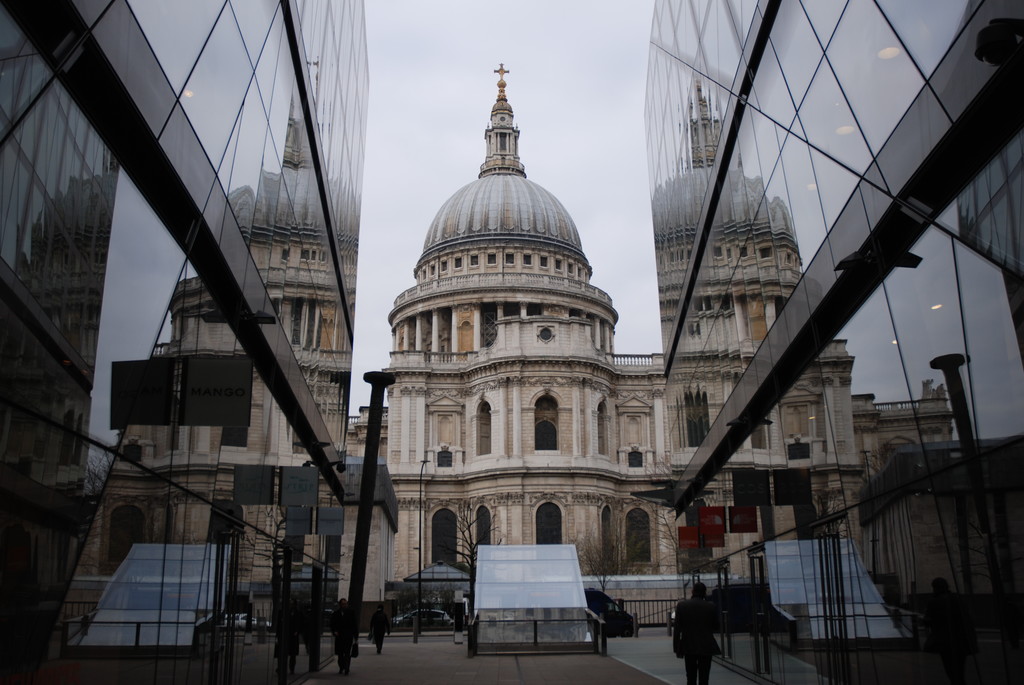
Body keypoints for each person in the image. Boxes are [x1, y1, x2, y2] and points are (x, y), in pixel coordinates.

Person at [923, 577, 977, 685]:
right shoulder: (957, 599)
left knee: (951, 670)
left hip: (945, 642)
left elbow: (929, 620)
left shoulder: (934, 602)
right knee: (960, 671)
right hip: (961, 640)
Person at [673, 582, 721, 685]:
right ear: (704, 593)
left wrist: (676, 648)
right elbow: (716, 626)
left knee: (690, 677)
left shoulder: (682, 606)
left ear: (692, 591)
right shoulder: (710, 606)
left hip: (689, 645)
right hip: (706, 645)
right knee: (704, 677)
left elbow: (677, 629)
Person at [330, 598, 358, 675]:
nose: (344, 605)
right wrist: (334, 631)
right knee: (340, 654)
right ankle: (341, 667)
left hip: (348, 636)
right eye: (343, 604)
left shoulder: (351, 612)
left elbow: (354, 624)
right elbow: (332, 624)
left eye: (345, 604)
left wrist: (356, 637)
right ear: (340, 605)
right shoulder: (336, 614)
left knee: (347, 653)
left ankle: (346, 668)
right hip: (339, 637)